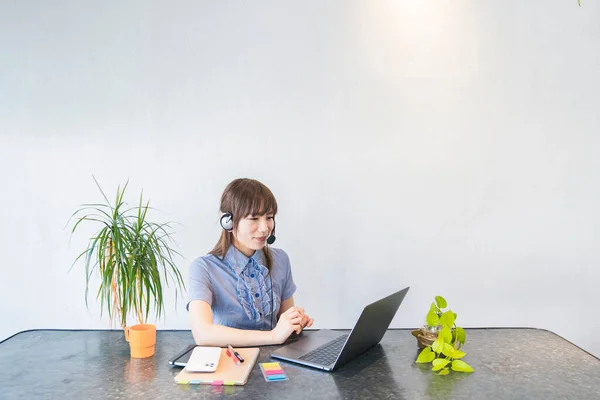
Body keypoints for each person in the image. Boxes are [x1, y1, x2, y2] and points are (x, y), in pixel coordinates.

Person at [188, 178, 314, 347]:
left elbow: (283, 321)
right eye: (254, 218)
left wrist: (294, 323)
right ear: (228, 222)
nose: (264, 228)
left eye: (269, 217)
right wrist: (273, 336)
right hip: (230, 361)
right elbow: (202, 333)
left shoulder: (281, 259)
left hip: (275, 359)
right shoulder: (203, 268)